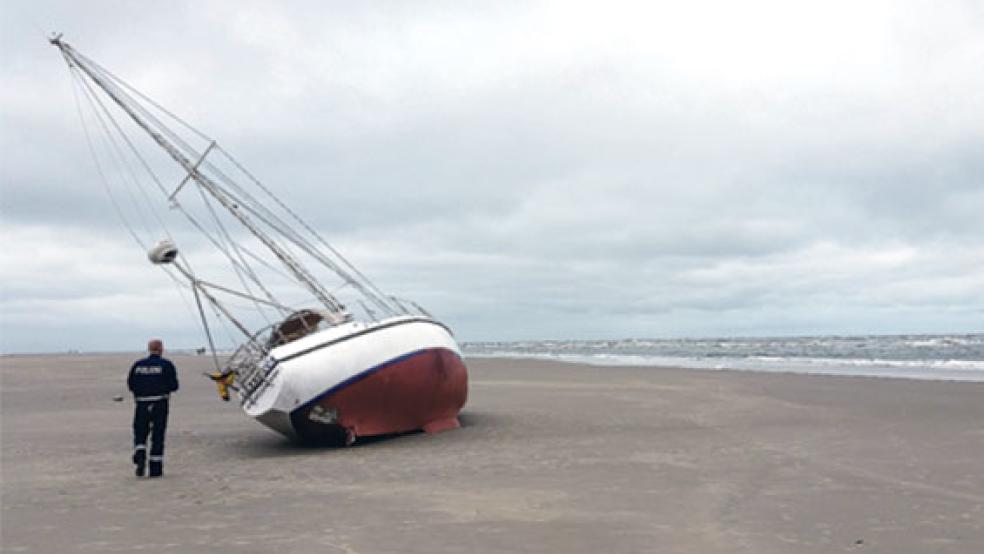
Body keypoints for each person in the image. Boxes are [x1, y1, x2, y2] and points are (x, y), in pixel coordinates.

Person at [127, 339, 179, 478]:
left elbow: (131, 384)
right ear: (161, 349)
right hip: (160, 402)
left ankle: (140, 452)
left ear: (149, 349)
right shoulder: (166, 365)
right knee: (158, 434)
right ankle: (155, 468)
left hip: (142, 402)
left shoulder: (138, 365)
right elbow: (174, 386)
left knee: (140, 431)